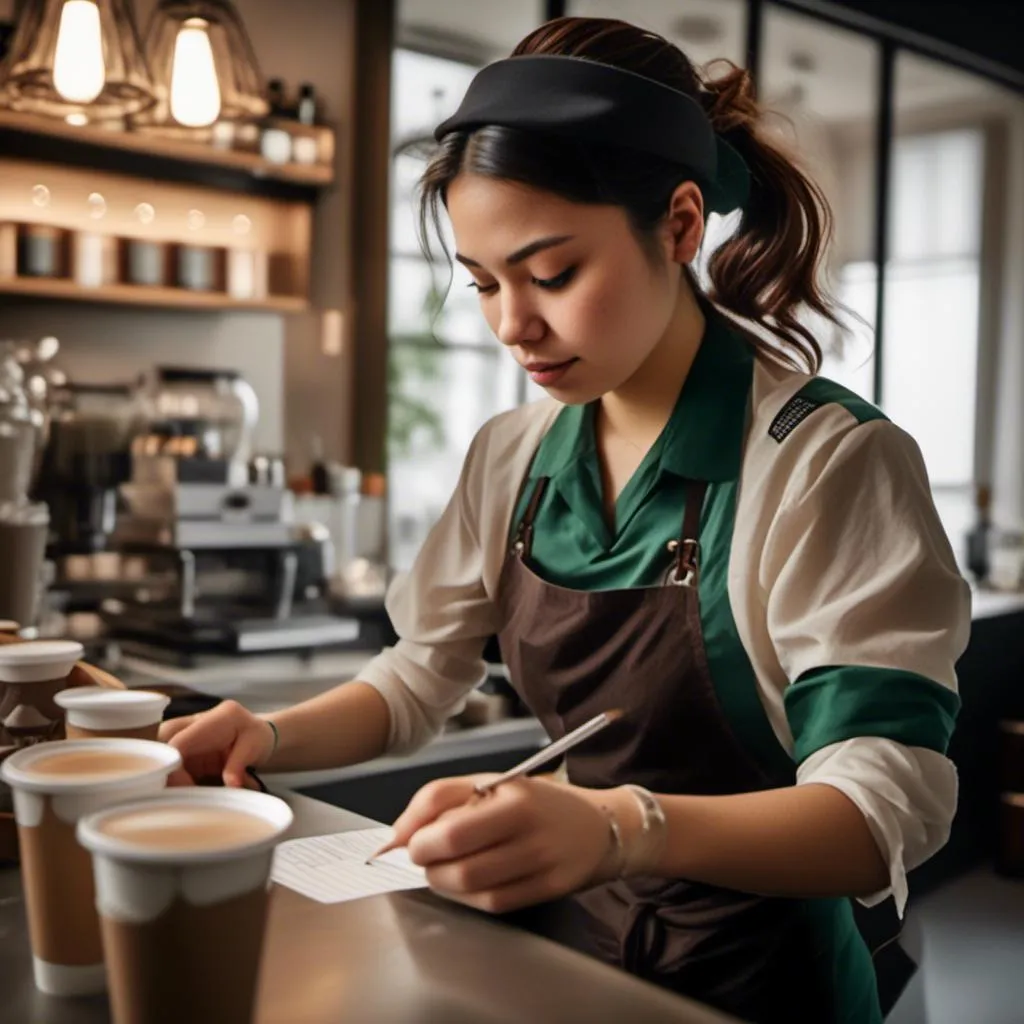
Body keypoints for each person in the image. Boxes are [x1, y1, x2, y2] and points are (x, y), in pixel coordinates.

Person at [159, 16, 970, 1024]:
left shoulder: (826, 463)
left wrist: (624, 826)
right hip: (565, 966)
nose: (513, 325)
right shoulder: (514, 454)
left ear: (680, 226)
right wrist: (268, 733)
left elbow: (878, 810)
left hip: (759, 986)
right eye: (484, 283)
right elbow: (420, 675)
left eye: (551, 274)